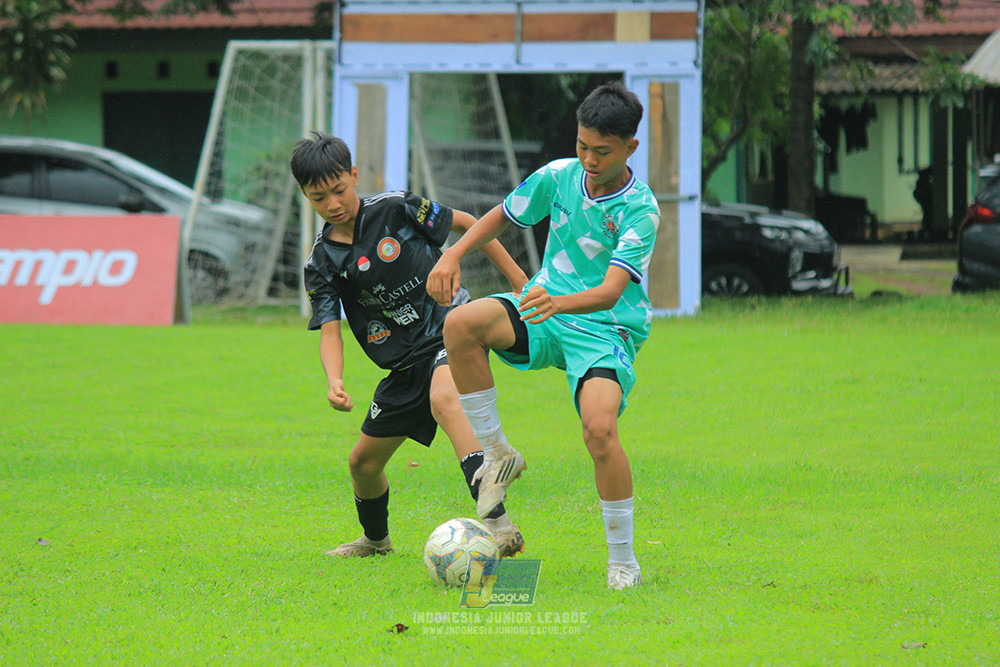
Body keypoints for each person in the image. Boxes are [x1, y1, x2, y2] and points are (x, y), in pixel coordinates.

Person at [426, 81, 660, 590]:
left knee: (600, 429)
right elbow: (499, 217)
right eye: (582, 145)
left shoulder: (641, 210)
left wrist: (556, 302)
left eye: (602, 151)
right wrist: (453, 254)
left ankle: (623, 562)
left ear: (630, 147)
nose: (589, 159)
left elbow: (610, 292)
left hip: (603, 328)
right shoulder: (559, 176)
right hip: (544, 309)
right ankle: (497, 453)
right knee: (460, 324)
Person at [293, 132, 529, 559]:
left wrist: (516, 278)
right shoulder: (322, 262)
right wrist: (334, 380)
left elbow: (467, 223)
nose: (333, 204)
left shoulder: (396, 207)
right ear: (305, 196)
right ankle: (375, 541)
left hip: (450, 332)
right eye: (319, 197)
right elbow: (329, 330)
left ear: (354, 175)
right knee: (363, 464)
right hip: (403, 367)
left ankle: (497, 521)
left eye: (339, 189)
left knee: (445, 399)